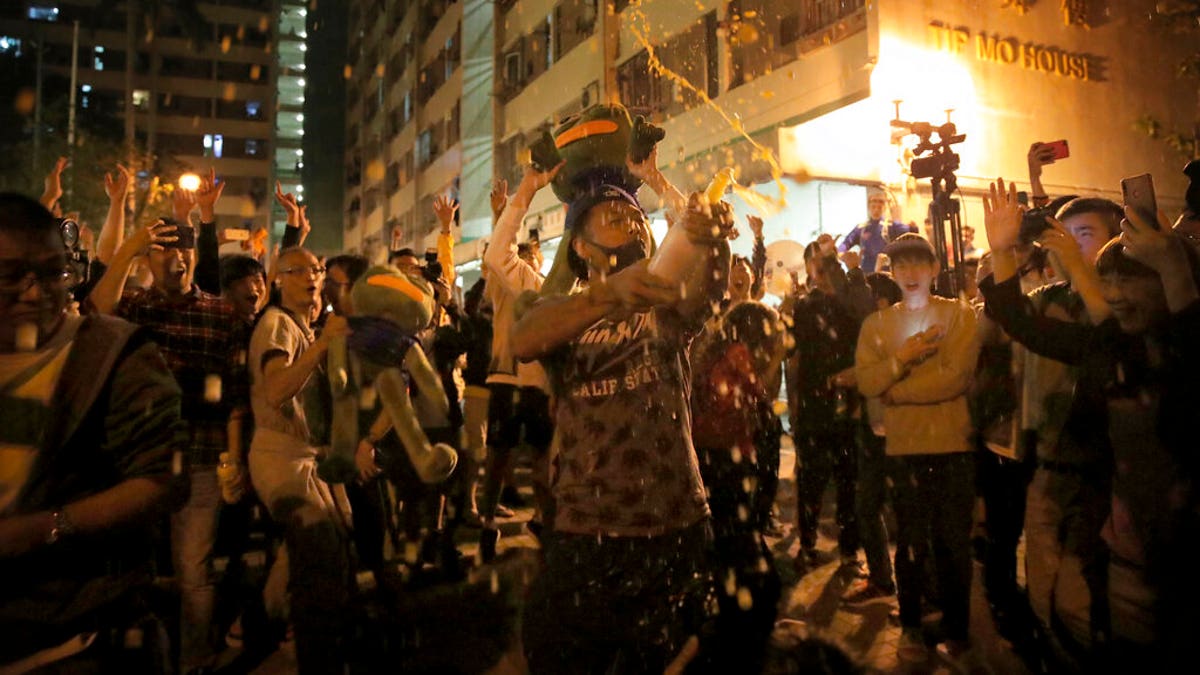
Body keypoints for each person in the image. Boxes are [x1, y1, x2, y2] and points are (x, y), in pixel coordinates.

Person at [512, 167, 733, 673]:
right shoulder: (562, 310)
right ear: (581, 246)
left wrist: (712, 240)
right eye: (611, 215)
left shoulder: (663, 303)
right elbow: (523, 340)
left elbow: (705, 293)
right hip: (585, 529)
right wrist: (608, 296)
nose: (629, 220)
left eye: (635, 216)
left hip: (672, 524)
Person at [979, 178, 1200, 669]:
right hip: (1118, 549)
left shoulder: (1178, 350)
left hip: (1177, 559)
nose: (1117, 293)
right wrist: (1001, 250)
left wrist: (1172, 268)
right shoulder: (1108, 343)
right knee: (1074, 618)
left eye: (1130, 277)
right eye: (1112, 279)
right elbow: (1019, 319)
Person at [0, 193, 185, 671]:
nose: (35, 292)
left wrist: (46, 528)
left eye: (52, 273)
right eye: (11, 275)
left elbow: (162, 478)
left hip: (78, 640)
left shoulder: (110, 354)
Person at [87, 198, 246, 675]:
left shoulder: (220, 313)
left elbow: (235, 393)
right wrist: (130, 247)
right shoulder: (134, 307)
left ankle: (193, 658)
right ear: (149, 260)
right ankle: (142, 655)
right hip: (142, 459)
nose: (177, 260)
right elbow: (95, 309)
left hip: (201, 454)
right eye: (164, 253)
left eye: (185, 252)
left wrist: (232, 459)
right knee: (137, 566)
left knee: (195, 568)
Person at [854, 233, 981, 664]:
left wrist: (898, 391)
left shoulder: (959, 315)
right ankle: (910, 624)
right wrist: (901, 359)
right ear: (892, 272)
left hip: (953, 447)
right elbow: (868, 381)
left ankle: (957, 628)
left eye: (917, 264)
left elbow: (956, 377)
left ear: (933, 270)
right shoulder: (876, 324)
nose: (909, 274)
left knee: (952, 544)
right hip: (905, 450)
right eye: (900, 266)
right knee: (910, 543)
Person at [247, 246, 354, 674]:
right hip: (281, 457)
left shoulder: (303, 327)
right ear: (277, 280)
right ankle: (315, 655)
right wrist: (324, 344)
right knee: (318, 561)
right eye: (297, 271)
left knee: (328, 548)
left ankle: (257, 627)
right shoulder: (277, 325)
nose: (311, 276)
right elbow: (276, 390)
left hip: (308, 457)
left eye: (316, 268)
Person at [478, 177, 557, 560]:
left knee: (543, 461)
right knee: (498, 456)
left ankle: (545, 520)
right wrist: (499, 214)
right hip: (506, 379)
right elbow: (497, 258)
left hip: (538, 385)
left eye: (535, 257)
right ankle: (487, 521)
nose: (529, 262)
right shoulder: (504, 285)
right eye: (524, 256)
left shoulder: (547, 287)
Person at [787, 242, 874, 578]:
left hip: (847, 407)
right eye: (816, 267)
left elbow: (864, 315)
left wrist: (846, 271)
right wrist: (795, 405)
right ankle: (807, 545)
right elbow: (792, 354)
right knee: (811, 480)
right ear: (808, 268)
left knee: (848, 481)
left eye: (827, 267)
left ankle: (850, 551)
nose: (821, 275)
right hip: (813, 407)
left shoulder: (849, 302)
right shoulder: (805, 306)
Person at [839, 188, 915, 273]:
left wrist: (913, 227)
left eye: (879, 207)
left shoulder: (891, 226)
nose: (876, 210)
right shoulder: (861, 228)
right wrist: (841, 253)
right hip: (867, 273)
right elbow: (846, 243)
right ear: (869, 207)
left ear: (884, 207)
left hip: (886, 273)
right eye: (873, 206)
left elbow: (912, 233)